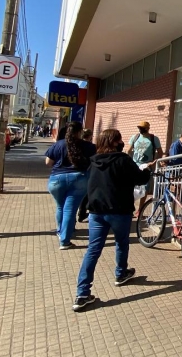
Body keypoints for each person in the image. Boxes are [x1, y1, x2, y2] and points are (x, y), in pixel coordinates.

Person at [73, 128, 152, 312]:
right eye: (120, 140)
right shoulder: (123, 160)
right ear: (115, 142)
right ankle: (121, 273)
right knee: (122, 243)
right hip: (119, 211)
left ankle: (82, 293)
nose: (122, 143)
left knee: (93, 250)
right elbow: (139, 177)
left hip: (96, 212)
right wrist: (147, 169)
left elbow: (91, 186)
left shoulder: (93, 162)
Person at [45, 121, 96, 250]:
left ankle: (60, 231)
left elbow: (48, 162)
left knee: (60, 207)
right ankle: (64, 241)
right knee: (70, 210)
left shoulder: (58, 144)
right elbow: (95, 161)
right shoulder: (88, 146)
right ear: (80, 132)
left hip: (56, 180)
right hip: (79, 179)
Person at [125, 120, 162, 211]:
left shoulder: (154, 139)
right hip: (135, 166)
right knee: (132, 186)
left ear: (147, 129)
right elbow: (128, 150)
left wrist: (154, 162)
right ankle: (129, 206)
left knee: (144, 188)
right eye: (139, 128)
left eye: (142, 128)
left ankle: (140, 209)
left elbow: (160, 152)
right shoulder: (135, 137)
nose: (140, 130)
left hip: (147, 166)